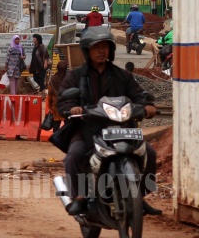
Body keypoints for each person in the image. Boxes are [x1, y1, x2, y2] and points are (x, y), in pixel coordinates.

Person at [57, 27, 160, 216]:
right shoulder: (76, 76)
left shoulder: (123, 75)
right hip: (88, 129)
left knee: (150, 153)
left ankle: (140, 196)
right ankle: (79, 196)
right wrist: (72, 108)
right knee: (75, 154)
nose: (101, 51)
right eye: (97, 47)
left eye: (105, 47)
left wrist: (148, 106)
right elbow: (63, 100)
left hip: (121, 128)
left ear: (111, 50)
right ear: (87, 50)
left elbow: (138, 95)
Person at [46, 60, 68, 132]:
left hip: (56, 106)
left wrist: (50, 106)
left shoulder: (53, 79)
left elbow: (50, 94)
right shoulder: (69, 79)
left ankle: (56, 137)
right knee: (67, 124)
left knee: (56, 124)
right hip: (66, 106)